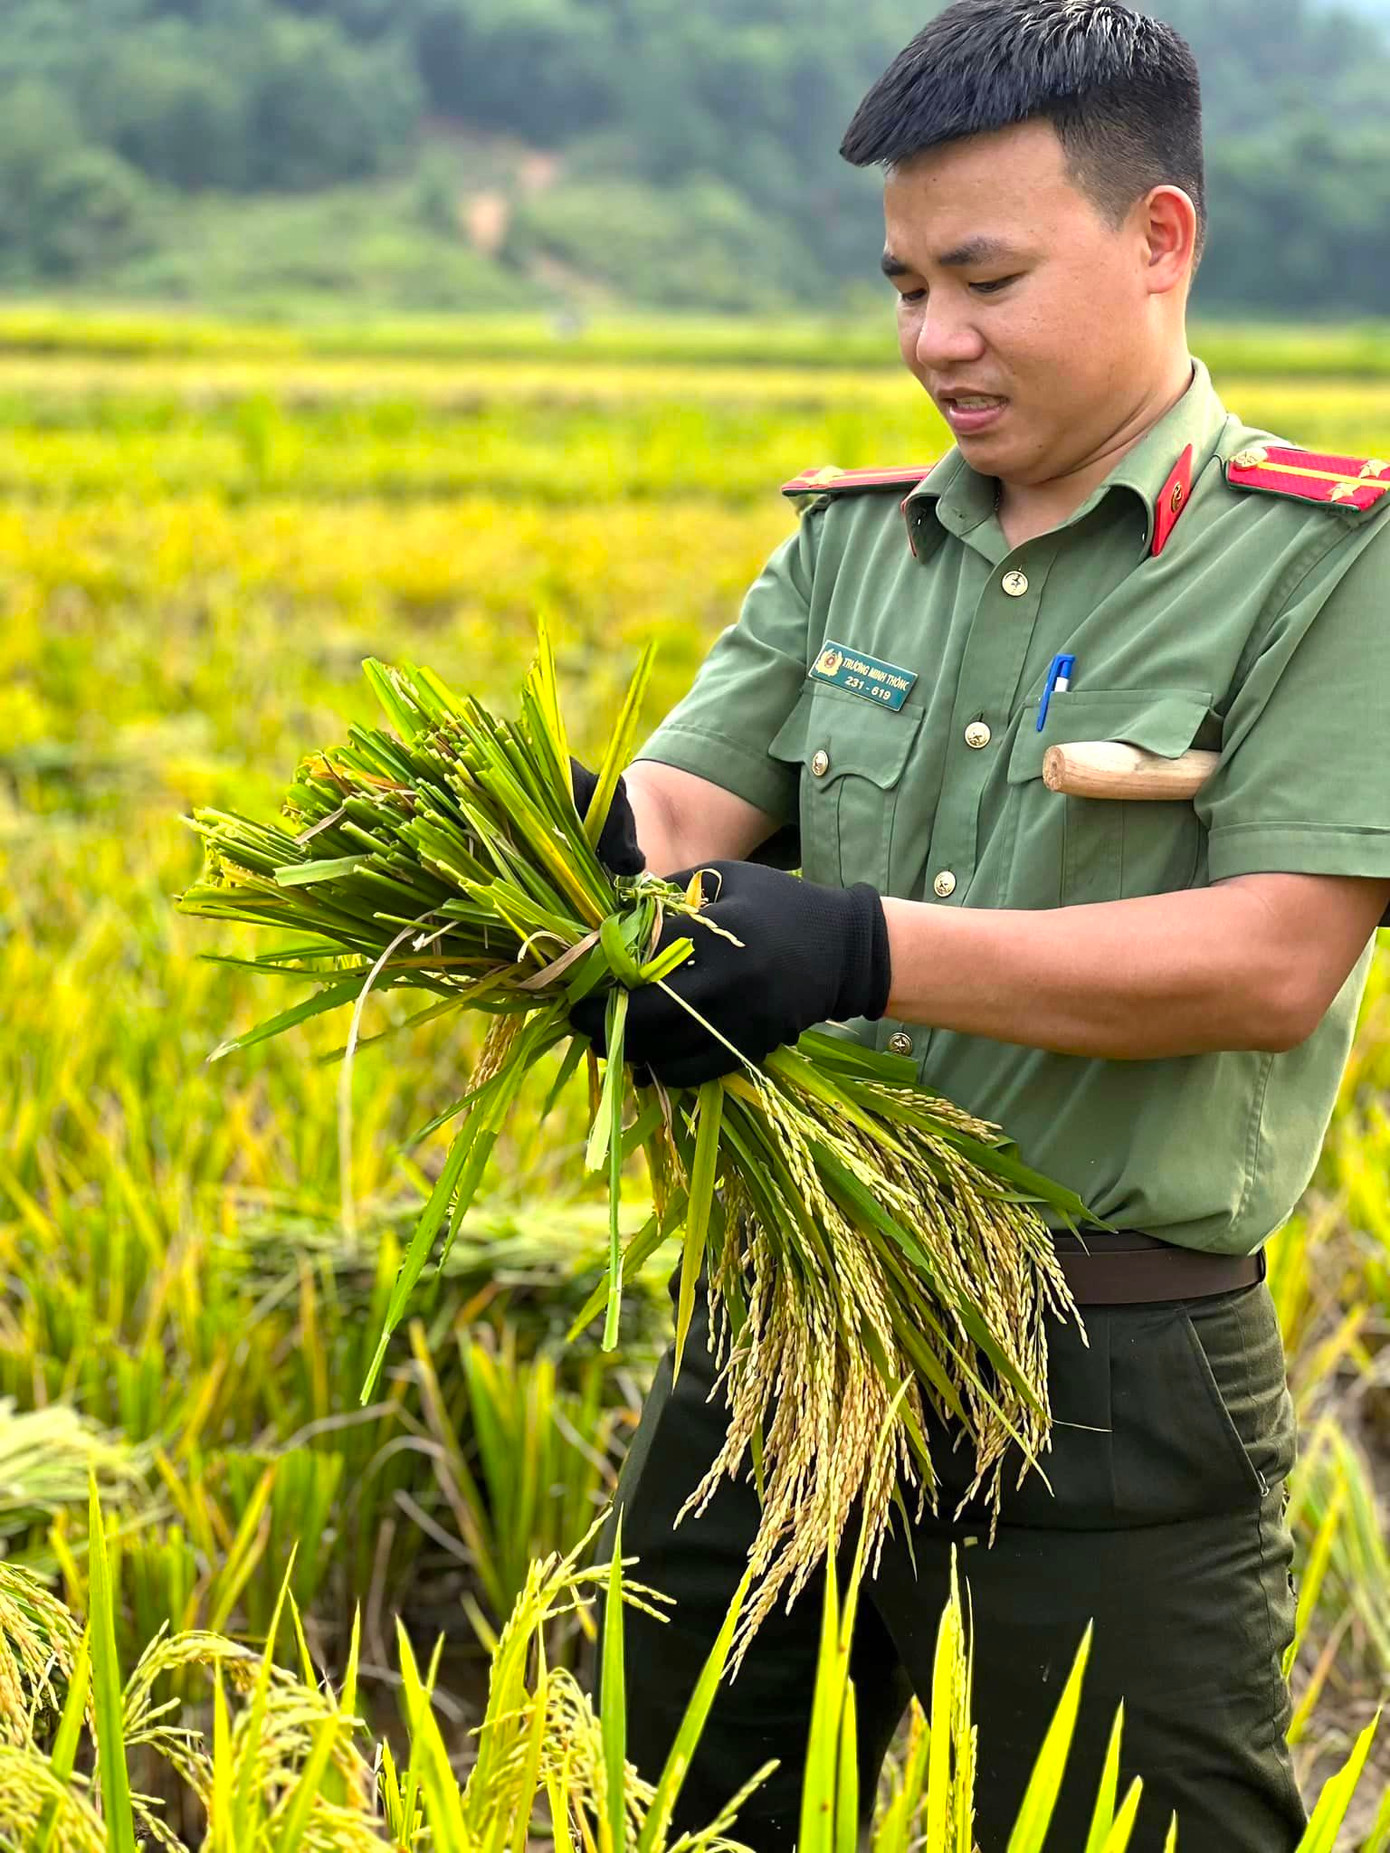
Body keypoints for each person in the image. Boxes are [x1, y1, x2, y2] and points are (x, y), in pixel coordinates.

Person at [569, 3, 1390, 1846]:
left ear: (1157, 238)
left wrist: (856, 950)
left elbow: (1270, 961)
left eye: (985, 278)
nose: (934, 339)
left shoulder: (1324, 562)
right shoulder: (855, 541)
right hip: (785, 1319)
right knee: (665, 1798)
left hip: (1102, 1358)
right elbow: (681, 818)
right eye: (902, 284)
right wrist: (548, 857)